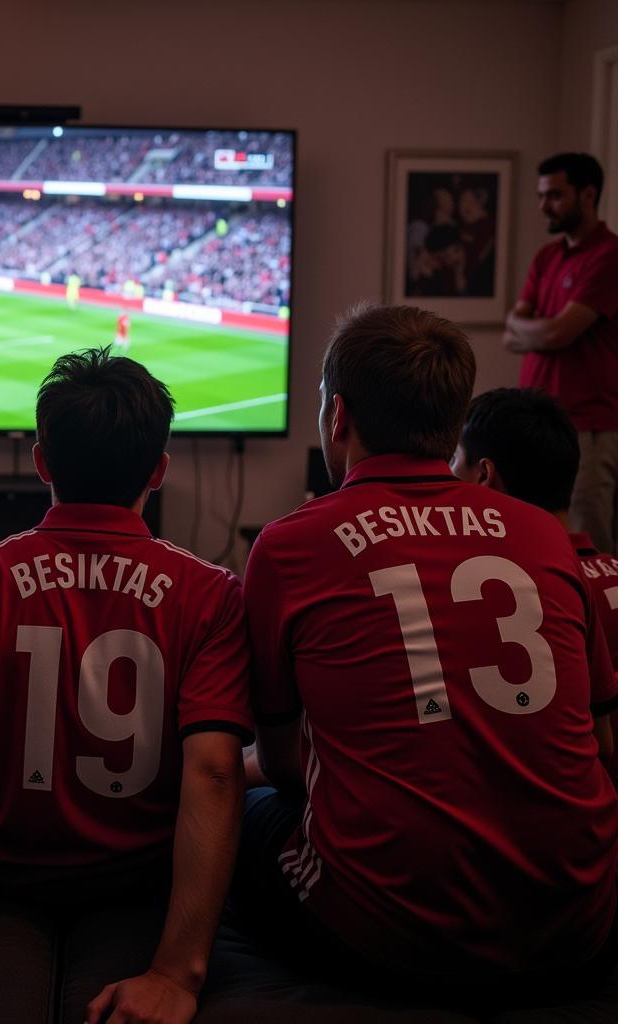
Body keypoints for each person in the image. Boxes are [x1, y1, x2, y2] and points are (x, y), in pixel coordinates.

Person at [240, 303, 618, 997]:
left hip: (387, 937)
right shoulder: (544, 535)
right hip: (579, 922)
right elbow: (598, 739)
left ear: (338, 417)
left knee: (238, 809)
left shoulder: (290, 545)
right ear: (452, 425)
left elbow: (285, 760)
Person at [0, 348, 251, 1024]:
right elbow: (216, 773)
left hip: (6, 867)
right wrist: (177, 974)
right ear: (159, 471)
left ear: (42, 462)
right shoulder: (212, 592)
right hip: (144, 872)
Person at [451, 386, 618, 781]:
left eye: (455, 458)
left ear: (484, 476)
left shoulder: (500, 598)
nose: (448, 474)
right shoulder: (604, 569)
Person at [504, 152, 618, 553]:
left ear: (588, 195)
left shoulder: (608, 256)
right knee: (530, 538)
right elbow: (511, 333)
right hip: (538, 424)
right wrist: (544, 332)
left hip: (588, 426)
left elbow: (556, 333)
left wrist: (539, 331)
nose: (543, 206)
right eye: (540, 195)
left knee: (589, 543)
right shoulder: (546, 257)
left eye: (554, 195)